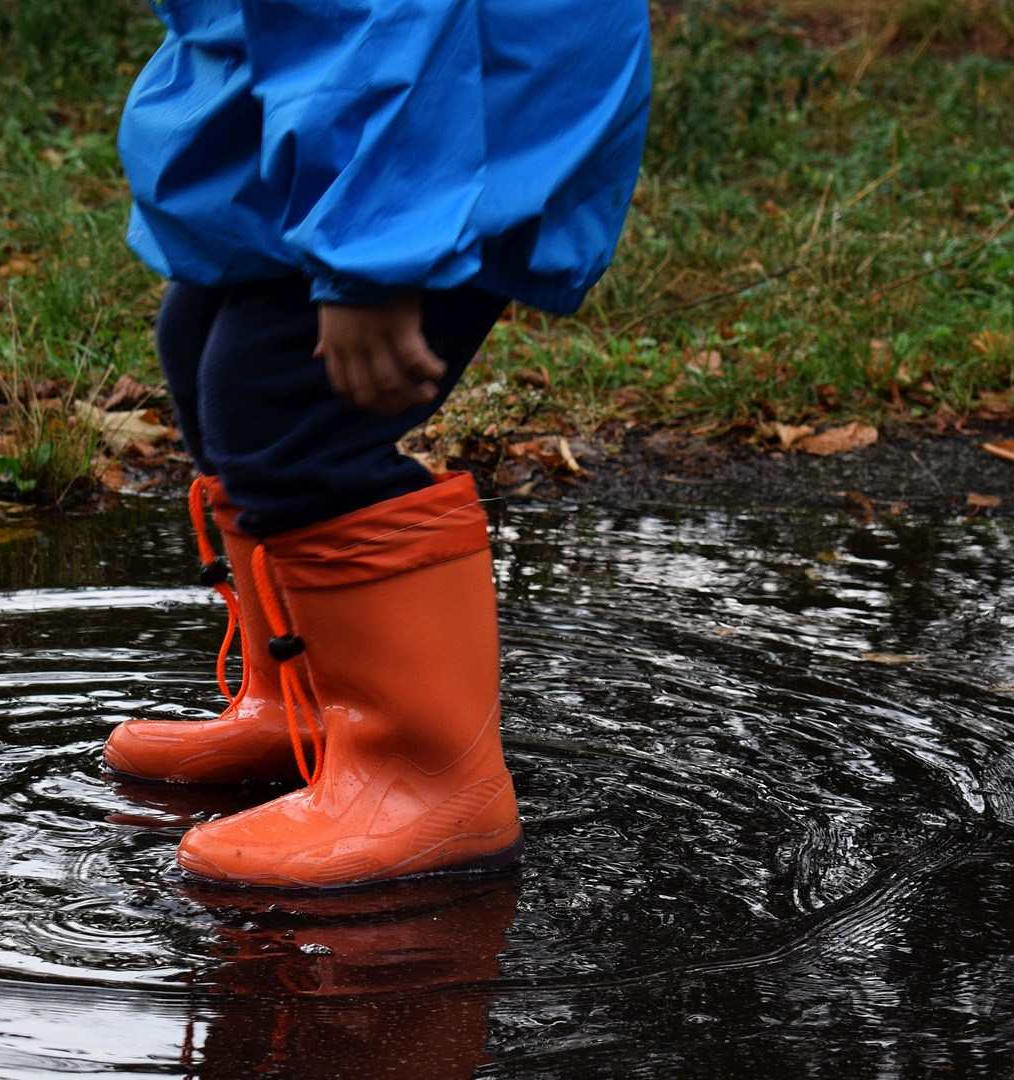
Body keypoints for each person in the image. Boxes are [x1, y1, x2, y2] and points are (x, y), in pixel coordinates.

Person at [103, 0, 652, 889]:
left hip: (453, 109)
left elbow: (379, 19)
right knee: (201, 341)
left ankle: (428, 783)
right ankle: (306, 703)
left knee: (285, 407)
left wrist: (373, 255)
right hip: (349, 98)